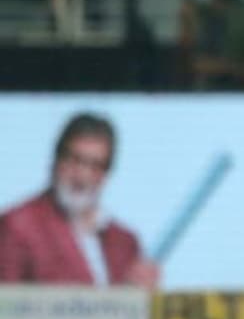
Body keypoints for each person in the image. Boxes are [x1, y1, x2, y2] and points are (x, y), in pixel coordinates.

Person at [0, 113, 160, 289]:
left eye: (95, 165)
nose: (82, 176)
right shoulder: (18, 227)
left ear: (106, 175)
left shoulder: (125, 242)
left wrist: (144, 295)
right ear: (56, 160)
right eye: (75, 161)